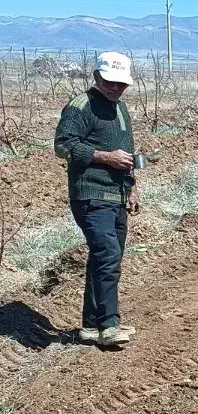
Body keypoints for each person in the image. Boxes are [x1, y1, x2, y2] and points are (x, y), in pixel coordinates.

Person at [53, 52, 141, 348]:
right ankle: (109, 324)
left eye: (121, 84)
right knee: (107, 255)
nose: (115, 88)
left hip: (117, 195)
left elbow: (126, 154)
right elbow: (63, 145)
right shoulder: (81, 107)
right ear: (96, 77)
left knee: (106, 257)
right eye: (110, 82)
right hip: (90, 194)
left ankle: (91, 326)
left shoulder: (121, 109)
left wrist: (132, 186)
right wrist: (104, 157)